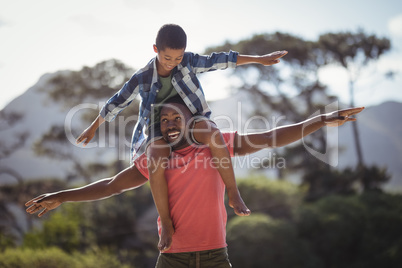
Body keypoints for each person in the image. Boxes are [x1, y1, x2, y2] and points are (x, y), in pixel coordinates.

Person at [26, 96, 364, 267]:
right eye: (165, 118)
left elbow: (272, 137)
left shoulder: (217, 146)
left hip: (217, 256)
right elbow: (112, 185)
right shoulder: (155, 159)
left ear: (190, 122)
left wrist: (320, 120)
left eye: (177, 117)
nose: (171, 121)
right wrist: (61, 196)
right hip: (172, 257)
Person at [74, 23, 288, 251]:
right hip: (159, 124)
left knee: (214, 135)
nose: (172, 62)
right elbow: (117, 101)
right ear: (155, 49)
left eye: (178, 58)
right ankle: (166, 222)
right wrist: (94, 126)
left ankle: (234, 193)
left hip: (191, 118)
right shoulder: (143, 77)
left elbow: (220, 60)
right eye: (167, 57)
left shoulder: (188, 61)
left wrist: (260, 58)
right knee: (155, 158)